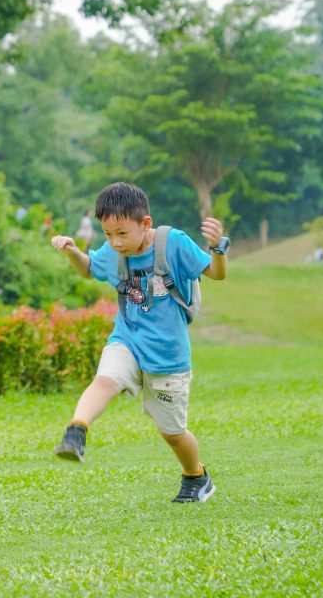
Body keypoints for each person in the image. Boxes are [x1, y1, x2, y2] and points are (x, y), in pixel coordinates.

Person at [48, 182, 228, 503]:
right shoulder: (114, 251)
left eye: (121, 234)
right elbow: (89, 269)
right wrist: (73, 252)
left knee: (172, 433)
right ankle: (76, 431)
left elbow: (216, 273)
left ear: (145, 223)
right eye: (107, 234)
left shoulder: (173, 243)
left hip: (168, 355)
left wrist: (218, 248)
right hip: (127, 339)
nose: (115, 242)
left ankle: (196, 476)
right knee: (105, 380)